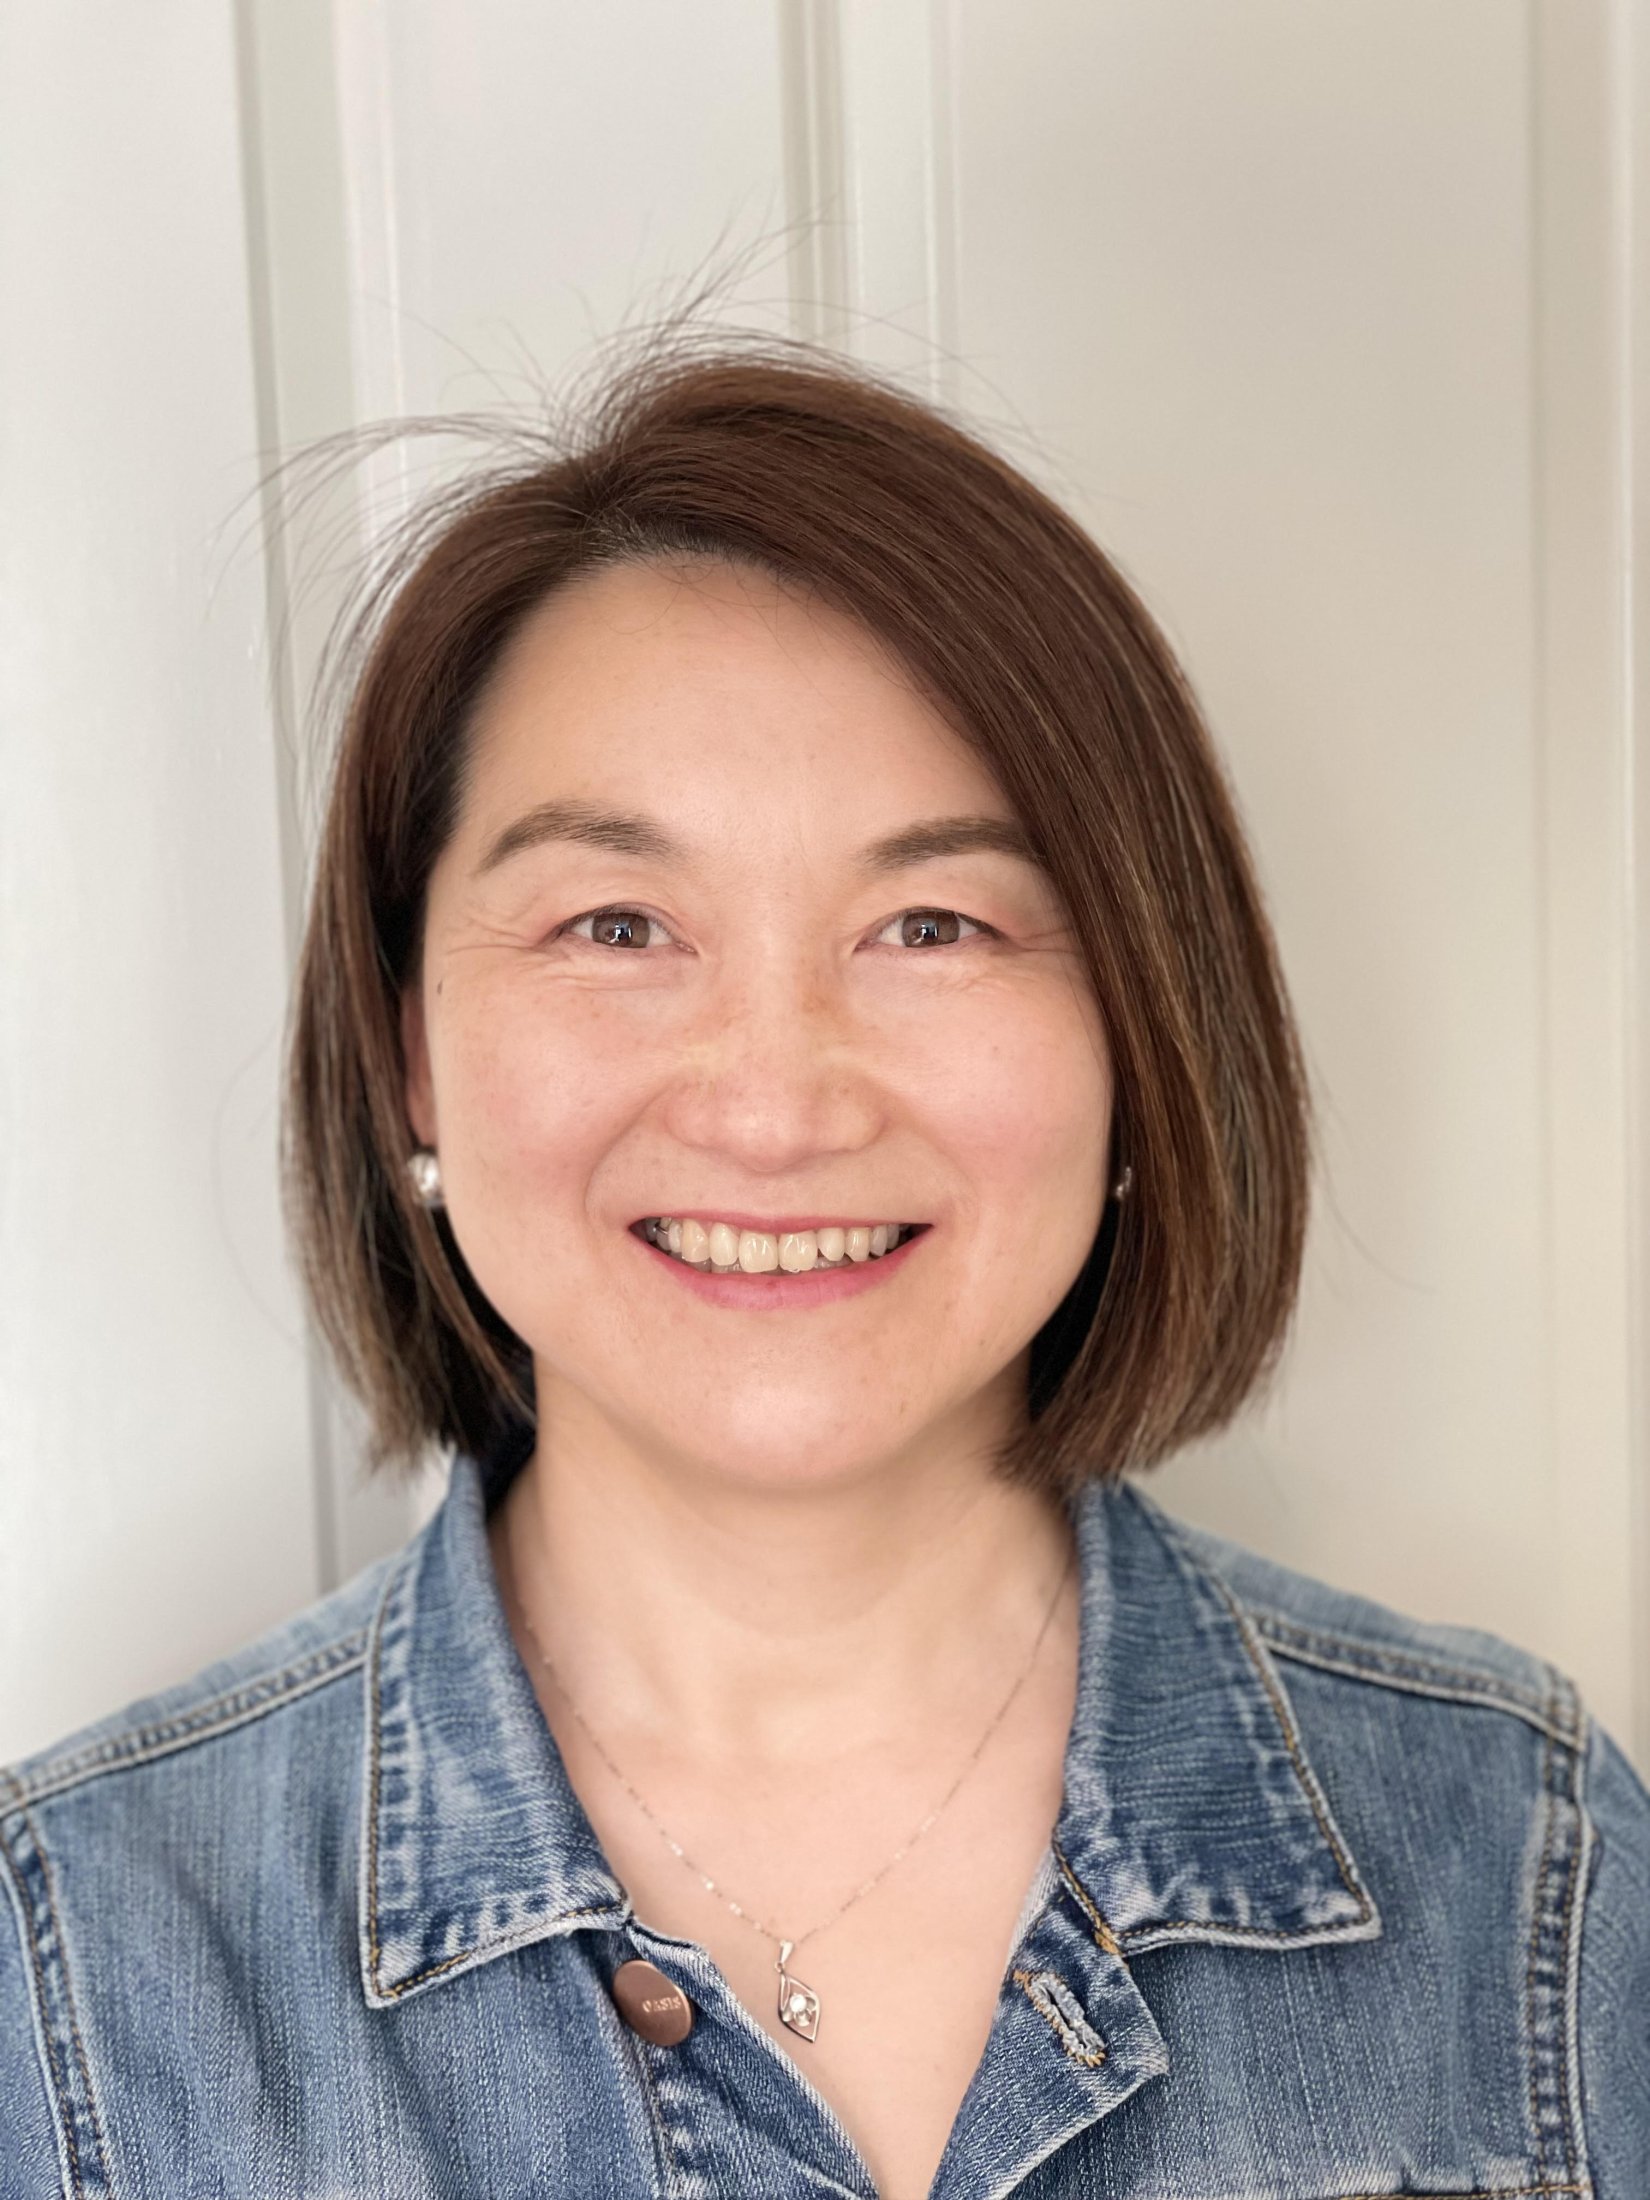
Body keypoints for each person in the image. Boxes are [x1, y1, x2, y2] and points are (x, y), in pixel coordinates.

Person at [1, 330, 1645, 2200]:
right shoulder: (81, 1960)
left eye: (931, 923)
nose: (773, 1106)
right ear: (406, 1053)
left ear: (1141, 1037)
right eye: (617, 923)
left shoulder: (1526, 1862)